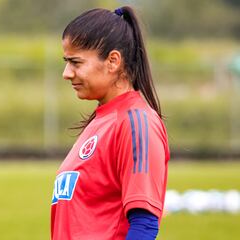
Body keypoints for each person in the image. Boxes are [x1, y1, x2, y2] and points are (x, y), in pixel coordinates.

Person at [50, 6, 170, 240]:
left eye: (76, 62)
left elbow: (144, 225)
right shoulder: (100, 120)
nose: (66, 73)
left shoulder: (137, 123)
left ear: (113, 61)